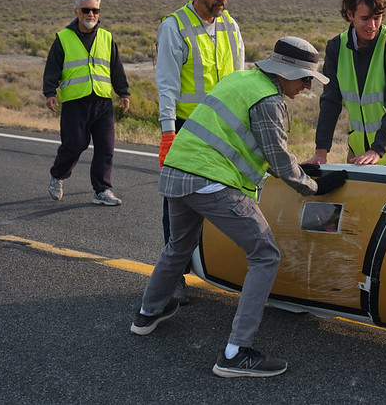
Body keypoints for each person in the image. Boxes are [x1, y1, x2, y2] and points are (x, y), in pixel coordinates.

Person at [130, 37, 347, 378]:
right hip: (210, 181)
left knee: (180, 245)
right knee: (265, 255)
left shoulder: (240, 80)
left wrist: (299, 169)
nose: (308, 86)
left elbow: (254, 146)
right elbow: (276, 157)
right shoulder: (268, 99)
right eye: (305, 78)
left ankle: (146, 314)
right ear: (286, 72)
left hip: (177, 173)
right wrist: (313, 186)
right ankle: (235, 352)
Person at [156, 0, 246, 303]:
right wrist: (168, 134)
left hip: (224, 131)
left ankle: (225, 267)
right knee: (178, 205)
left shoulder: (231, 26)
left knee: (228, 197)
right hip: (187, 130)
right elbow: (167, 85)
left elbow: (239, 80)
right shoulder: (174, 26)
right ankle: (173, 278)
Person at [303, 0, 386, 167]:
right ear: (350, 15)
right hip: (360, 150)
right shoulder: (336, 47)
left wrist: (377, 149)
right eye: (365, 18)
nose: (372, 25)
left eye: (377, 18)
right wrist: (321, 151)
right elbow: (330, 101)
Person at [43, 0, 130, 206]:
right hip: (75, 102)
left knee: (106, 147)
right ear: (76, 11)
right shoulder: (63, 37)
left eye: (95, 10)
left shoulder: (107, 37)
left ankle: (102, 190)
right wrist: (50, 93)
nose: (91, 14)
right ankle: (57, 175)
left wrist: (124, 92)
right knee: (74, 145)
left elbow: (116, 68)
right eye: (86, 10)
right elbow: (53, 67)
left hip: (102, 100)